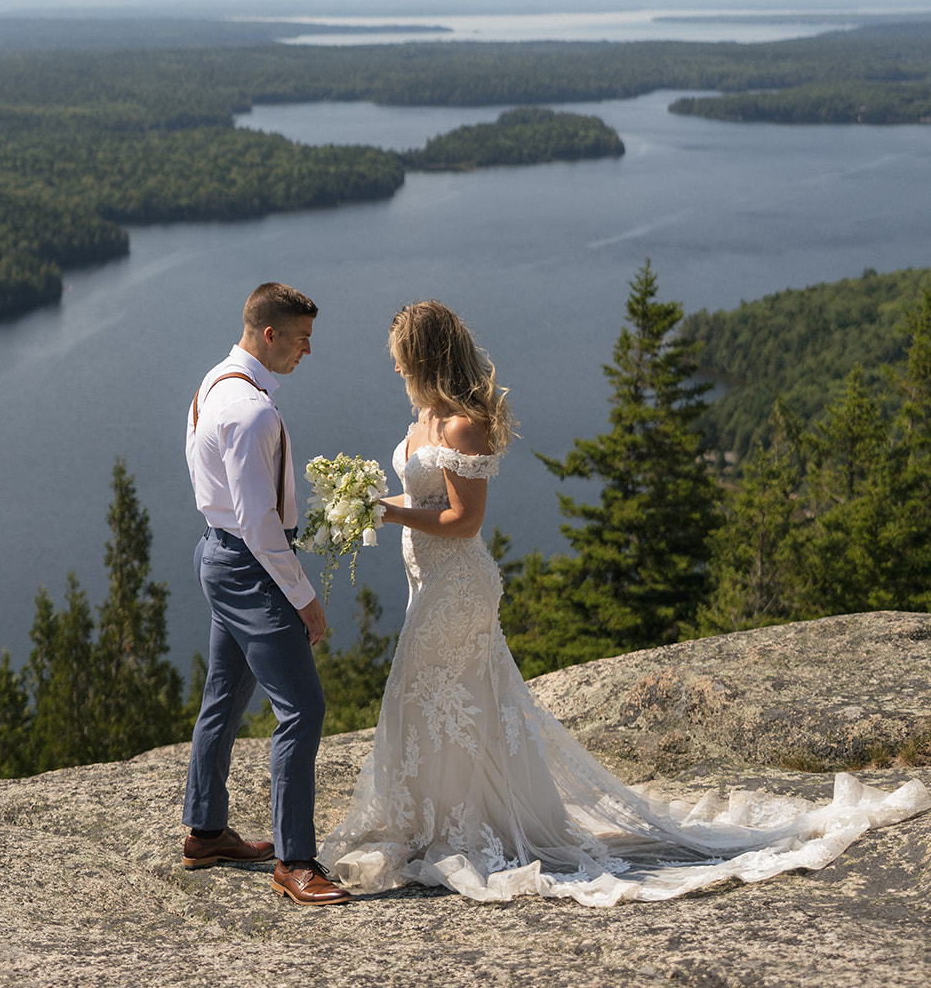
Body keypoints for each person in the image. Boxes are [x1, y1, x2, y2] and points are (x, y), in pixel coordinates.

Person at [319, 299, 930, 905]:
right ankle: (436, 819)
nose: (397, 372)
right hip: (425, 581)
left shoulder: (462, 424)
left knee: (437, 692)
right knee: (433, 696)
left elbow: (464, 520)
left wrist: (386, 511)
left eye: (404, 361)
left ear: (426, 357)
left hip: (457, 588)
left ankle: (466, 828)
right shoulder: (426, 413)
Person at [182, 282, 350, 906]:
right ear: (270, 334)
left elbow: (224, 502)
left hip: (219, 555)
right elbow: (258, 522)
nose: (308, 352)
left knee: (224, 694)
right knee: (302, 707)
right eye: (302, 340)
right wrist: (303, 595)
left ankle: (204, 832)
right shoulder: (250, 409)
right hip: (251, 565)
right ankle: (295, 861)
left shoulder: (214, 382)